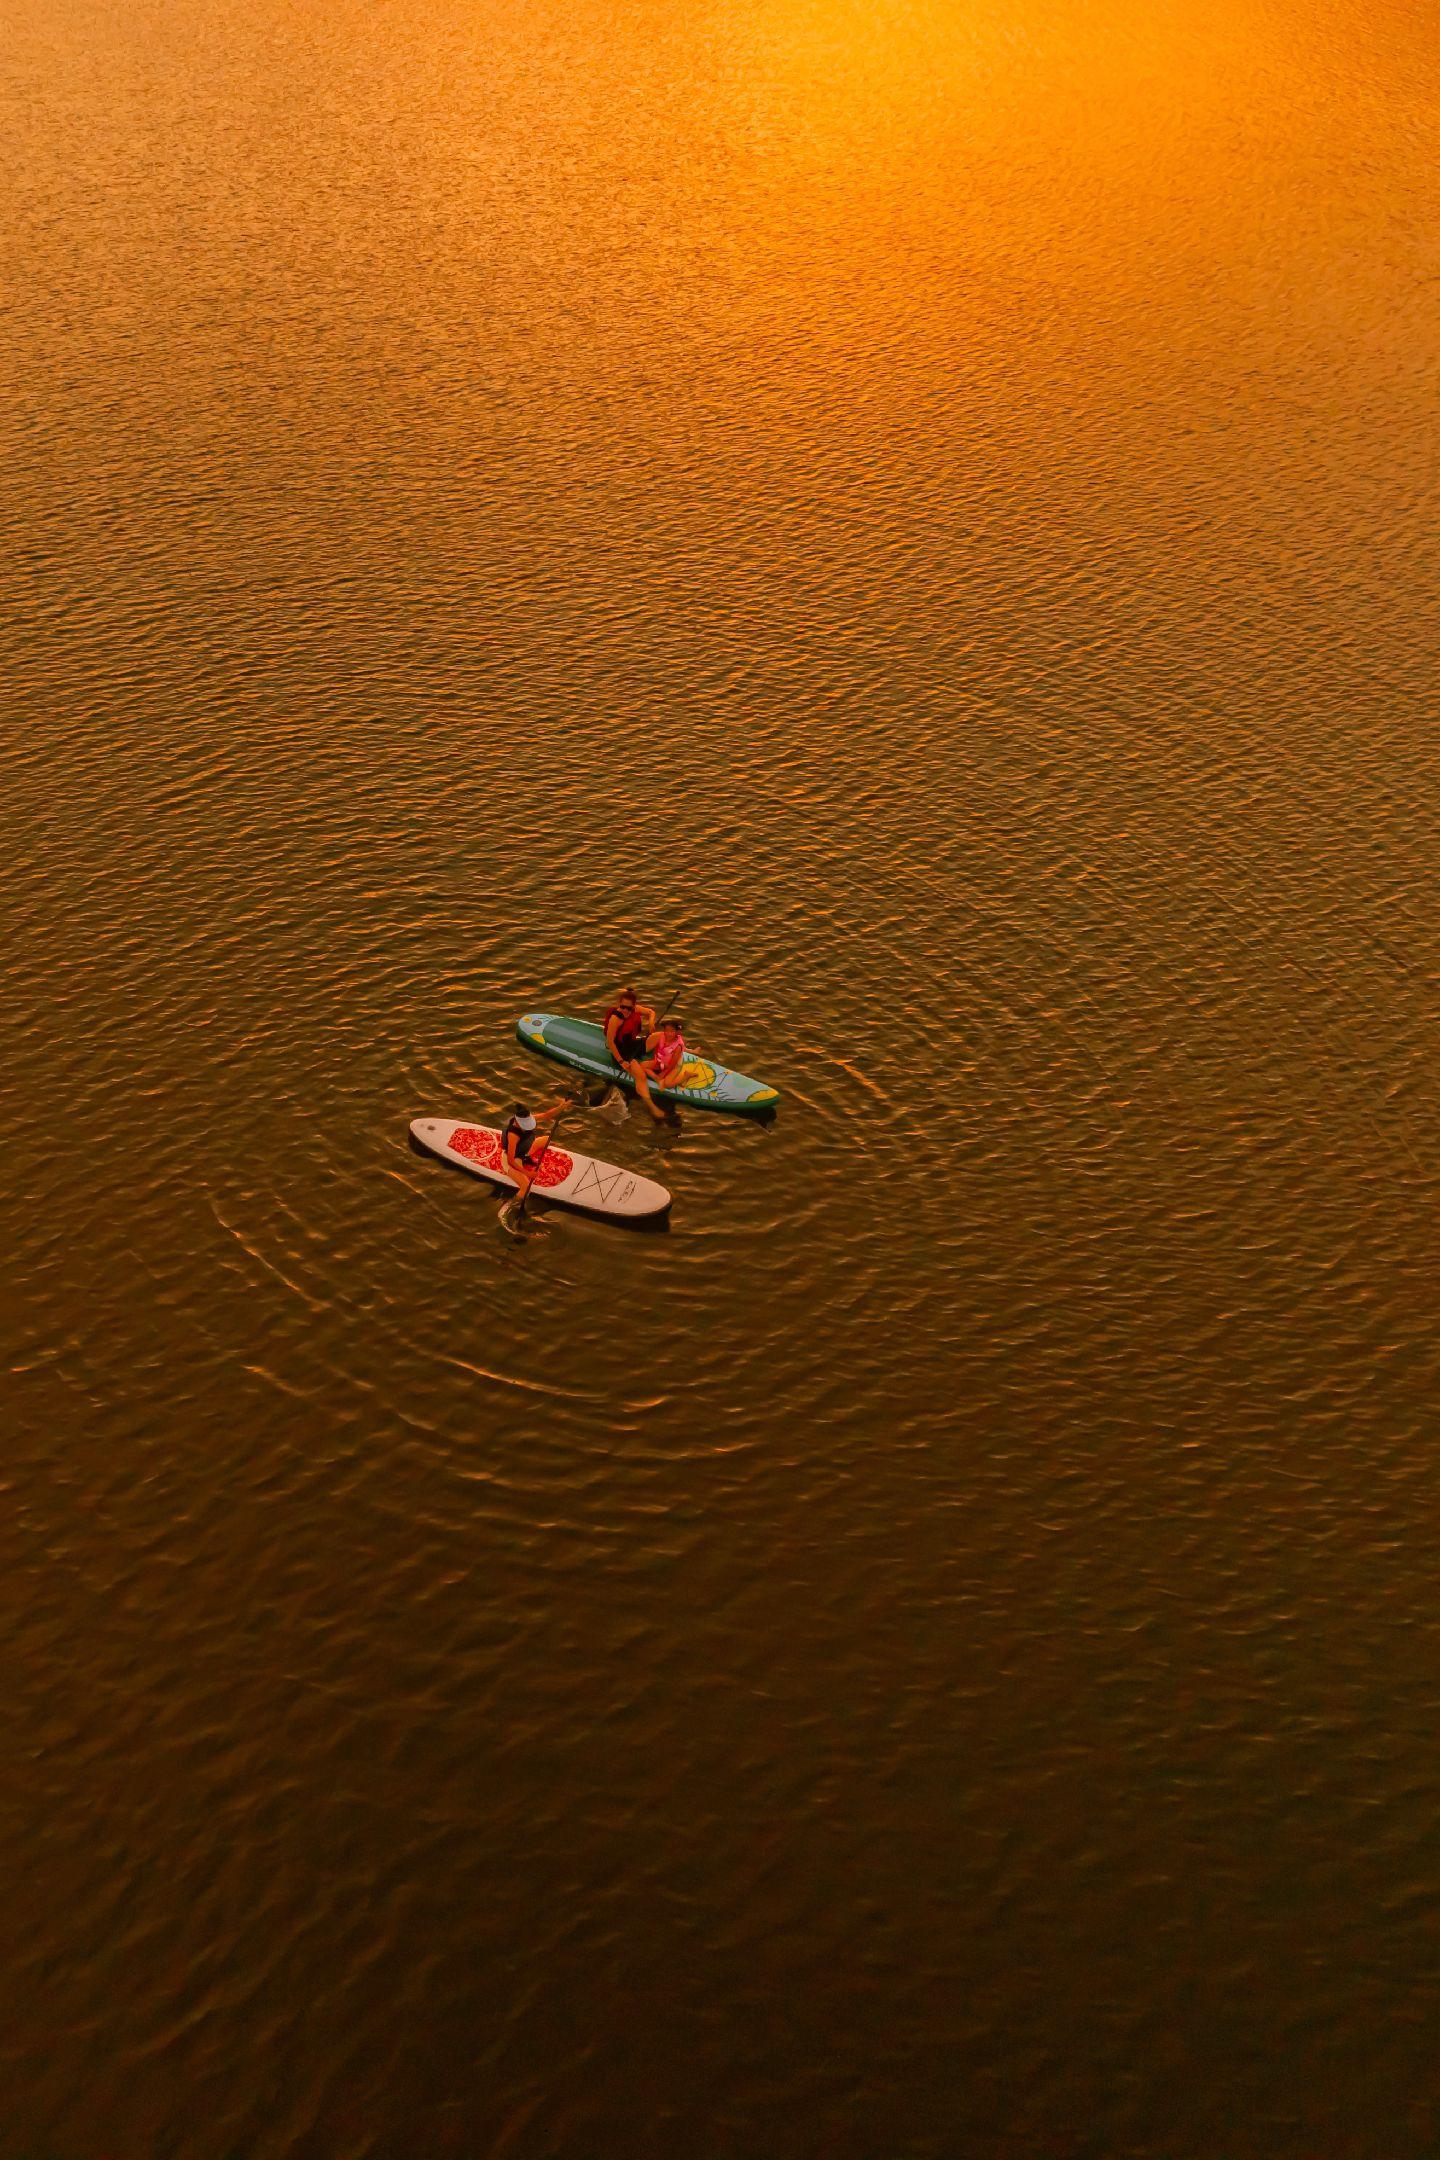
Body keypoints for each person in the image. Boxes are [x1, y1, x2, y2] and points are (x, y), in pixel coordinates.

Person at [500, 1097, 569, 1218]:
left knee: (546, 1139)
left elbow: (546, 1115)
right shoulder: (513, 1135)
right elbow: (511, 1161)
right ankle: (510, 1208)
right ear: (517, 1122)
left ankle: (528, 1158)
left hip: (523, 1152)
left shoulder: (525, 1119)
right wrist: (528, 1173)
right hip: (512, 1159)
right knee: (526, 1188)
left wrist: (560, 1107)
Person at [630, 1016, 687, 1122]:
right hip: (660, 1063)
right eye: (666, 1031)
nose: (668, 1033)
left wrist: (662, 1074)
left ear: (676, 1032)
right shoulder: (662, 1037)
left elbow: (672, 1064)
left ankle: (685, 1076)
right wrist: (656, 1063)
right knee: (642, 1065)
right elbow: (657, 1050)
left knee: (668, 1084)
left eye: (671, 1031)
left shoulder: (678, 1047)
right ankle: (657, 1079)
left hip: (672, 1067)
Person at [603, 986, 654, 1068]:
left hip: (631, 1044)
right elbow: (610, 1042)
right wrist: (621, 1061)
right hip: (620, 1052)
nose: (625, 1010)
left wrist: (651, 1022)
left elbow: (651, 1012)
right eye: (623, 1007)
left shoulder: (635, 1009)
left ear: (633, 1006)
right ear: (620, 1004)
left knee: (660, 1035)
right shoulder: (615, 1019)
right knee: (638, 1071)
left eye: (629, 1008)